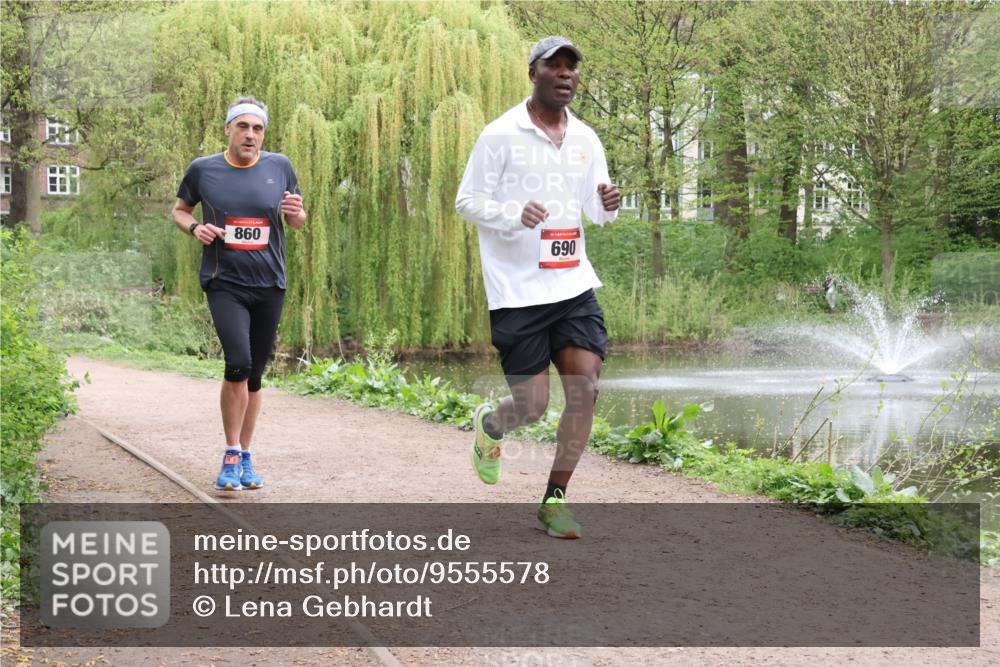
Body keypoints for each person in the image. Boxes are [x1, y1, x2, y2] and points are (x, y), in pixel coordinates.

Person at [455, 36, 620, 538]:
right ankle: (492, 426)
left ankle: (554, 500)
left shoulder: (587, 139)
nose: (566, 74)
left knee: (585, 389)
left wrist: (610, 202)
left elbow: (596, 212)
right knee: (533, 405)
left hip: (572, 285)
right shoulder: (500, 134)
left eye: (573, 68)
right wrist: (513, 215)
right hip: (518, 291)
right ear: (534, 73)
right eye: (556, 66)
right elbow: (467, 201)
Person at [171, 96, 306, 491]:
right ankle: (230, 452)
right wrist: (195, 228)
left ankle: (246, 455)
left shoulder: (279, 166)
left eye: (258, 128)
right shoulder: (204, 169)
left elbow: (296, 219)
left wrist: (297, 214)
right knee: (238, 362)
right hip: (224, 281)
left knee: (256, 374)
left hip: (270, 284)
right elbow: (179, 210)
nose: (250, 135)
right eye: (243, 126)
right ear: (228, 129)